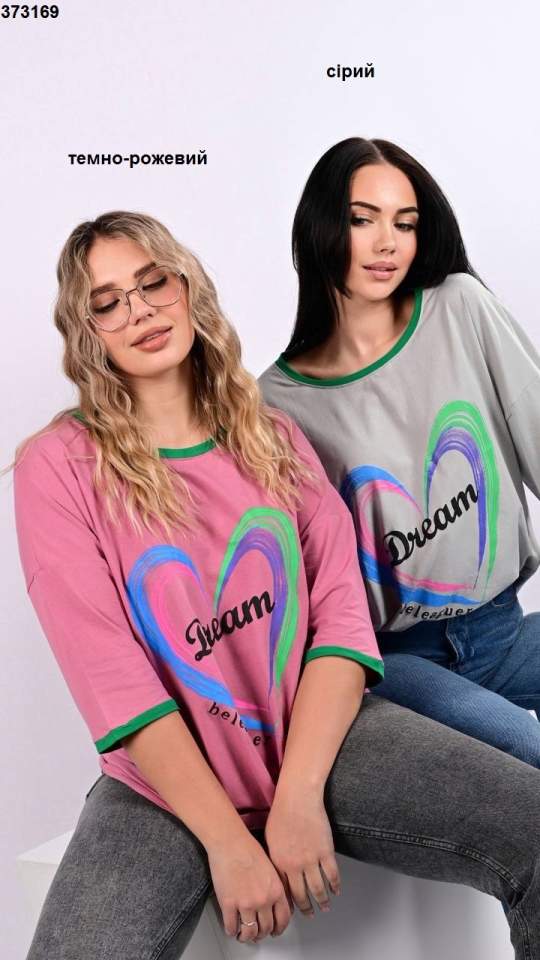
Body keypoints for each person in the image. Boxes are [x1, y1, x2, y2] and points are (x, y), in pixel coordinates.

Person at [13, 211, 540, 960]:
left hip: (322, 740)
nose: (140, 311)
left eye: (153, 283)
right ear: (87, 330)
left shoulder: (274, 437)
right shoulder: (59, 467)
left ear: (186, 287)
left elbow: (341, 622)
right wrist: (229, 843)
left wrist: (296, 800)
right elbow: (116, 685)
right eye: (108, 302)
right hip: (163, 785)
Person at [259, 136, 540, 769]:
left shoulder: (461, 308)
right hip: (400, 662)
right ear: (321, 227)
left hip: (501, 627)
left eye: (405, 223)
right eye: (363, 220)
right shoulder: (273, 405)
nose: (388, 242)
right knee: (526, 751)